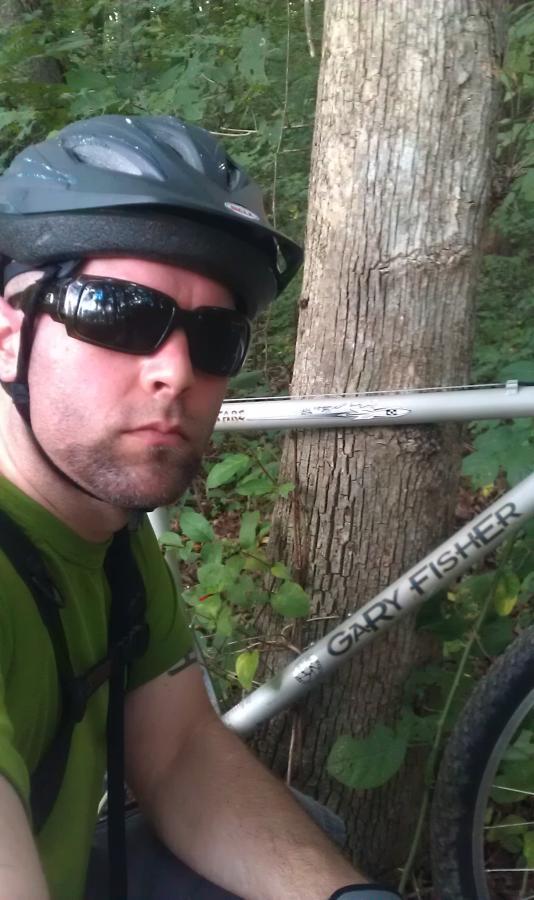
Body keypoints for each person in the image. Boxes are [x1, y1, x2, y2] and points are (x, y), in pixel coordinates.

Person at [0, 114, 402, 900]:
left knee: (309, 838)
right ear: (8, 332)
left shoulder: (101, 524)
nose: (175, 372)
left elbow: (180, 748)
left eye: (215, 337)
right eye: (117, 312)